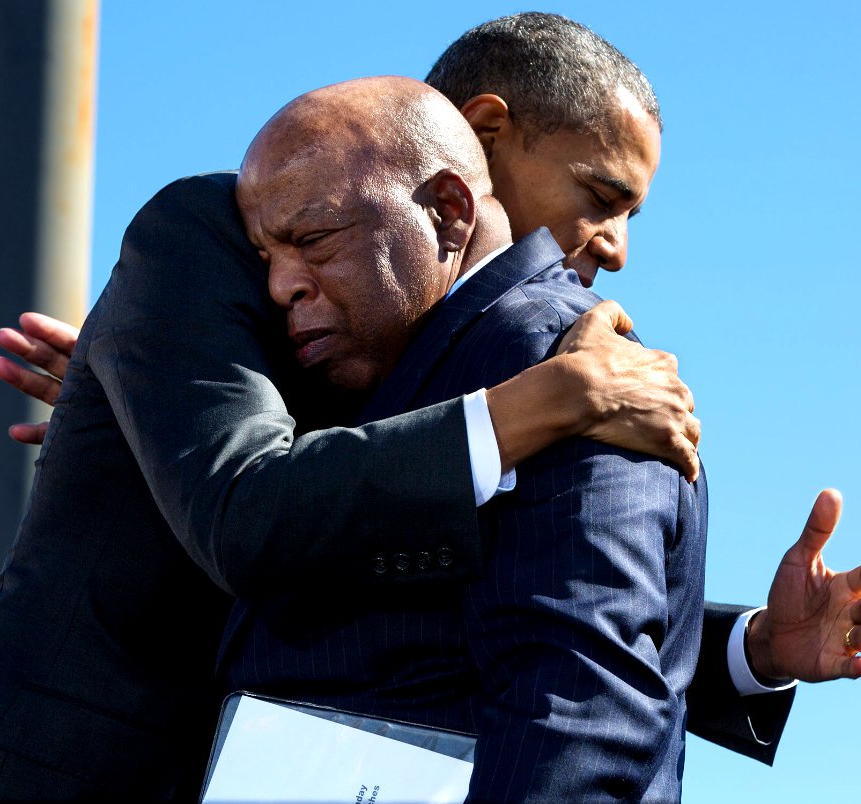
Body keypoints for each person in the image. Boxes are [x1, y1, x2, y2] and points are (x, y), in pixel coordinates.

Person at [0, 10, 861, 786]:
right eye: (601, 194)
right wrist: (546, 401)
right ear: (482, 142)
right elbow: (247, 503)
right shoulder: (214, 239)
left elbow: (504, 618)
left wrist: (749, 651)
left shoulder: (471, 347)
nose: (616, 247)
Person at [222, 72, 707, 802]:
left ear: (450, 207)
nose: (616, 250)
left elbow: (578, 702)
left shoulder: (570, 357)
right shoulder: (362, 364)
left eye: (314, 240)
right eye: (268, 256)